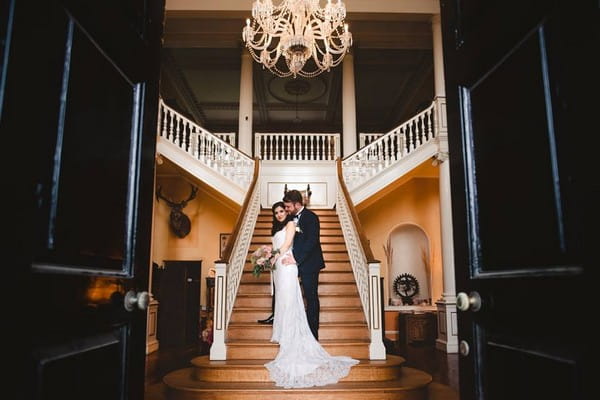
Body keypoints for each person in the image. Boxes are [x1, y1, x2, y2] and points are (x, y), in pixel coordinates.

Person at [265, 201, 358, 388]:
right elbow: (279, 244)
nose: (281, 214)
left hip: (289, 264)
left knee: (296, 299)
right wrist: (266, 253)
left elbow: (292, 243)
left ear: (291, 207)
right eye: (277, 212)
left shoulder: (297, 222)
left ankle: (299, 333)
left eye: (283, 210)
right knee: (282, 299)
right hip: (279, 268)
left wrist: (275, 256)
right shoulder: (280, 226)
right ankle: (282, 330)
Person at [283, 189, 324, 340]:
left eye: (288, 206)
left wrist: (297, 259)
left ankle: (313, 333)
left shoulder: (311, 217)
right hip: (294, 264)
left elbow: (312, 241)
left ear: (297, 204)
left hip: (310, 264)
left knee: (311, 297)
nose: (286, 209)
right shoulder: (290, 218)